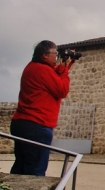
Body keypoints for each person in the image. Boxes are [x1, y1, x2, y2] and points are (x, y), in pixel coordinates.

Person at [10, 40, 75, 176]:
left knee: (21, 168)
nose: (56, 57)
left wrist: (65, 67)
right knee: (35, 171)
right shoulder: (43, 70)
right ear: (45, 55)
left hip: (22, 123)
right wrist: (64, 72)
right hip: (37, 125)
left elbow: (53, 76)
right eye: (55, 54)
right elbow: (61, 90)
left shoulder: (32, 67)